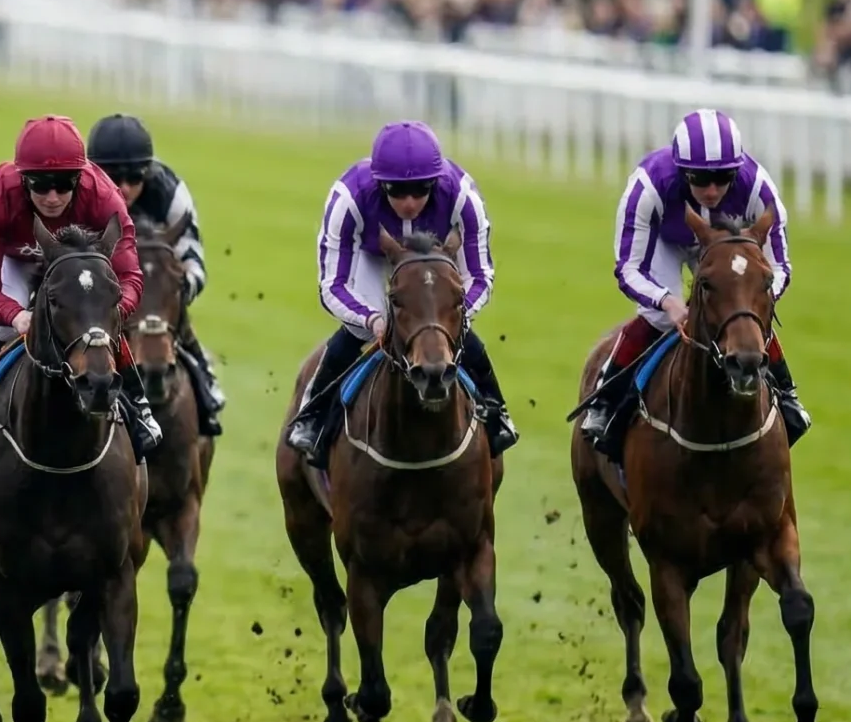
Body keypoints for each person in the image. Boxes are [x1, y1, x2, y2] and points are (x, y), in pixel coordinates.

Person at [0, 115, 162, 463]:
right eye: (40, 184)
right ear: (22, 178)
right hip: (17, 262)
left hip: (78, 263)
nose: (53, 197)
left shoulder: (103, 197)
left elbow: (130, 277)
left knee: (95, 316)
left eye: (65, 184)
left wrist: (108, 311)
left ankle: (139, 405)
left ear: (81, 177)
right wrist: (16, 316)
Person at [284, 121, 518, 466]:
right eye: (396, 191)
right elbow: (333, 285)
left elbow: (479, 276)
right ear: (380, 184)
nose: (409, 203)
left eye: (421, 190)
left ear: (436, 182)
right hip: (372, 256)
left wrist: (453, 313)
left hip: (436, 260)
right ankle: (312, 416)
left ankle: (497, 412)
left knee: (450, 331)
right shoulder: (348, 199)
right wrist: (372, 320)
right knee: (360, 332)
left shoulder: (463, 197)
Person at [576, 108, 806, 454]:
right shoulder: (648, 186)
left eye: (723, 178)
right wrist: (668, 302)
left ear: (737, 170)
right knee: (658, 318)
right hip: (665, 243)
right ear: (682, 171)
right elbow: (628, 268)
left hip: (726, 245)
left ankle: (786, 393)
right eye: (699, 179)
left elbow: (780, 266)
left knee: (743, 314)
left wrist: (753, 299)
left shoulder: (758, 188)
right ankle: (606, 400)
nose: (711, 190)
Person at [87, 112, 224, 436]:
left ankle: (203, 381)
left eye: (135, 177)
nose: (124, 188)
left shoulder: (170, 193)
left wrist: (175, 291)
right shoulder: (77, 191)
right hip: (96, 276)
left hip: (152, 282)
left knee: (168, 305)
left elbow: (192, 258)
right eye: (114, 178)